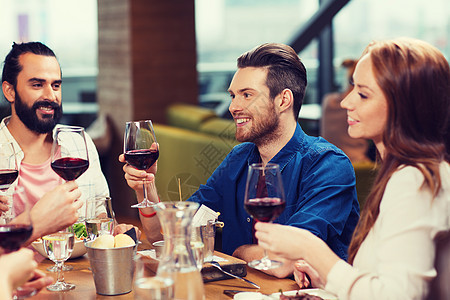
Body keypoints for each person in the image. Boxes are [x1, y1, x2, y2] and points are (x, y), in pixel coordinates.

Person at [120, 43, 360, 278]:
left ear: (283, 100)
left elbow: (283, 262)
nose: (234, 107)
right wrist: (145, 186)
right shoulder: (239, 157)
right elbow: (166, 235)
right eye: (233, 96)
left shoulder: (328, 165)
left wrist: (236, 250)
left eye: (247, 95)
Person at [254, 38, 450, 299]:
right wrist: (325, 272)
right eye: (352, 88)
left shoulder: (415, 180)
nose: (346, 102)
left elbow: (400, 295)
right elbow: (382, 280)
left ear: (404, 106)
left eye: (363, 93)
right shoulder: (412, 172)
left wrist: (311, 249)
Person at [0, 42, 136, 244]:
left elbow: (101, 216)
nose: (50, 96)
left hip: (75, 273)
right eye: (37, 85)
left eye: (56, 85)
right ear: (10, 91)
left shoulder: (79, 144)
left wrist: (112, 232)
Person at [320, 59, 372, 163]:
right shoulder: (359, 104)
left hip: (326, 161)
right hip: (358, 165)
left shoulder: (328, 100)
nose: (345, 104)